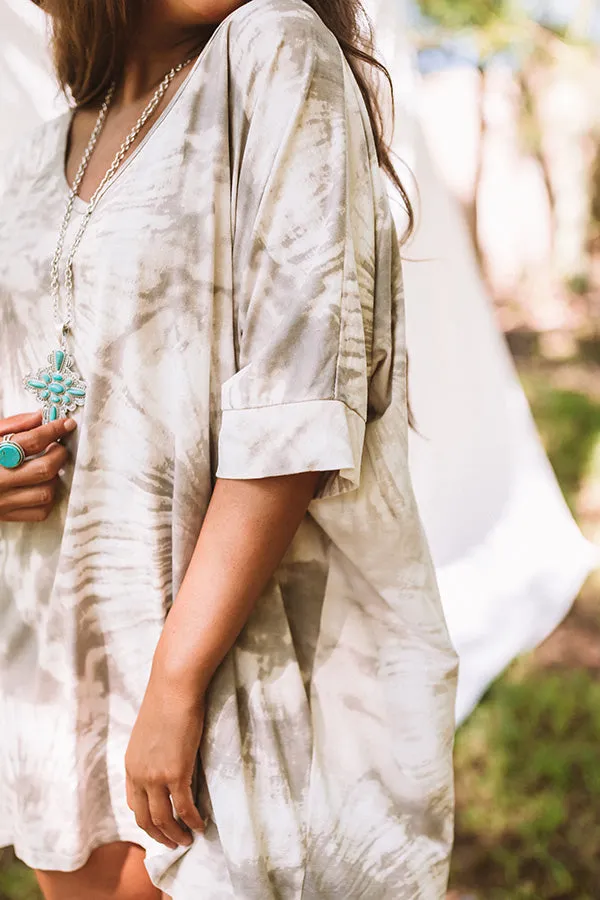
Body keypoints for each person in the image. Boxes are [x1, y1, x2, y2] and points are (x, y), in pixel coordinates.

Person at [0, 0, 458, 898]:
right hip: (63, 667)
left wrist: (177, 683)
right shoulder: (32, 159)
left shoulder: (271, 50)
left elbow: (295, 404)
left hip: (229, 668)